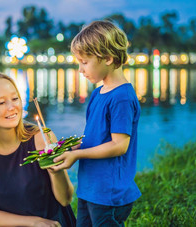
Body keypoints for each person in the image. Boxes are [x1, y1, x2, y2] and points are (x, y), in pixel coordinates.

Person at [0, 72, 76, 227]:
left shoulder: (42, 138)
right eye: (1, 103)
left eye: (15, 98)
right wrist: (35, 222)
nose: (12, 107)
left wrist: (55, 170)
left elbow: (66, 199)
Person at [51, 20, 141, 226]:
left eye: (84, 62)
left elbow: (119, 145)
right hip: (89, 187)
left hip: (108, 192)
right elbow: (95, 139)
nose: (80, 69)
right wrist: (71, 146)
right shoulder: (98, 93)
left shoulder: (122, 97)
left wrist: (77, 155)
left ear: (108, 58)